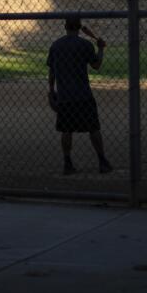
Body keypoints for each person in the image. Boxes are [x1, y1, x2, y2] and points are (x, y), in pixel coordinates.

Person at [47, 15, 112, 175]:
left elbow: (52, 72)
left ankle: (67, 163)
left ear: (65, 27)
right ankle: (102, 161)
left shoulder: (56, 45)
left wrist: (51, 90)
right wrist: (101, 48)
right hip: (83, 95)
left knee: (66, 130)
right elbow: (96, 65)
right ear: (79, 27)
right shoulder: (85, 45)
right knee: (93, 129)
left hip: (65, 96)